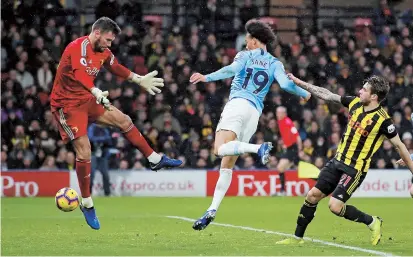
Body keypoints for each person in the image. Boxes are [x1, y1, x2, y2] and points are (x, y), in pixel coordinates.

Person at [50, 17, 182, 230]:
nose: (110, 44)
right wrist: (94, 91)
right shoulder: (78, 47)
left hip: (88, 100)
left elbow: (116, 66)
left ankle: (155, 159)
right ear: (97, 33)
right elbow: (80, 75)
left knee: (124, 120)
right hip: (67, 106)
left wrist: (137, 79)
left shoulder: (103, 52)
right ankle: (87, 203)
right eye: (108, 40)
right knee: (85, 151)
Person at [189, 19, 311, 230]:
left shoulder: (244, 56)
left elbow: (231, 70)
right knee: (227, 164)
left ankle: (258, 148)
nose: (245, 45)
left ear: (255, 41)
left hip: (237, 105)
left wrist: (206, 77)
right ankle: (212, 210)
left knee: (219, 149)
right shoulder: (275, 63)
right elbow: (284, 84)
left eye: (247, 41)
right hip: (254, 113)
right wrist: (304, 92)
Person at [276, 74, 413, 245]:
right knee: (312, 196)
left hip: (354, 169)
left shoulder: (384, 121)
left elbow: (400, 146)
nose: (359, 91)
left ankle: (372, 221)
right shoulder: (354, 103)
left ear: (374, 96)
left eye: (364, 90)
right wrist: (299, 82)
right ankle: (297, 238)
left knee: (334, 206)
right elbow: (326, 94)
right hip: (337, 161)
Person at [275, 106, 302, 196]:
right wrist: (284, 143)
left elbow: (297, 136)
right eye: (277, 113)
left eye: (279, 113)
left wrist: (299, 150)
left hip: (293, 149)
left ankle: (283, 191)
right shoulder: (280, 121)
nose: (277, 114)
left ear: (284, 113)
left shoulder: (288, 122)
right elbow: (287, 135)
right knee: (299, 168)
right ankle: (283, 191)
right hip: (289, 148)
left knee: (281, 167)